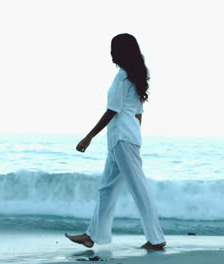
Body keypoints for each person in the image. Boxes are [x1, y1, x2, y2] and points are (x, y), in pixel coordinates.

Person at [65, 33, 166, 251]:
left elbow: (112, 110)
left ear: (121, 52)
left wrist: (89, 136)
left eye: (113, 49)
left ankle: (157, 239)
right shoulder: (136, 75)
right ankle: (92, 235)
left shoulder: (122, 76)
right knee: (106, 189)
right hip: (124, 139)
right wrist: (135, 136)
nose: (111, 53)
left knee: (139, 189)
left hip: (122, 138)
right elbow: (138, 113)